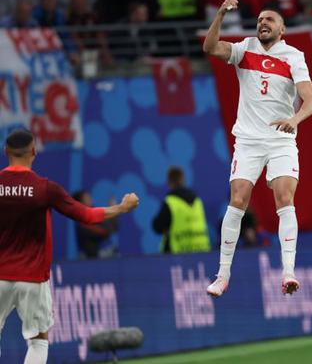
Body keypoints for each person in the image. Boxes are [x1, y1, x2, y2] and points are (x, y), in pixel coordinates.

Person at [202, 0, 312, 297]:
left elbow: (311, 100)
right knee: (238, 198)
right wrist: (220, 13)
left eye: (269, 20)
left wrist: (295, 119)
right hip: (249, 140)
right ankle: (222, 275)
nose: (262, 23)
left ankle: (289, 272)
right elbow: (210, 47)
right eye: (259, 21)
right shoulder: (244, 48)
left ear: (282, 29)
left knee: (284, 196)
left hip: (281, 139)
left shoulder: (294, 56)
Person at [0, 128, 139, 364]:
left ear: (6, 152)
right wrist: (121, 208)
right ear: (34, 152)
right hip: (33, 279)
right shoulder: (44, 188)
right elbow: (84, 214)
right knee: (38, 340)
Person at [152, 166, 211, 254]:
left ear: (168, 181)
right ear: (183, 179)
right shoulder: (197, 200)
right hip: (201, 251)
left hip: (178, 255)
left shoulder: (170, 201)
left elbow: (157, 226)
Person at [72, 189, 120, 259]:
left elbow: (112, 227)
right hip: (87, 259)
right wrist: (114, 210)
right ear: (80, 203)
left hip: (96, 256)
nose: (90, 199)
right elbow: (105, 231)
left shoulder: (93, 216)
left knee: (115, 253)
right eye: (87, 197)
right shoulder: (82, 222)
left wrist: (113, 211)